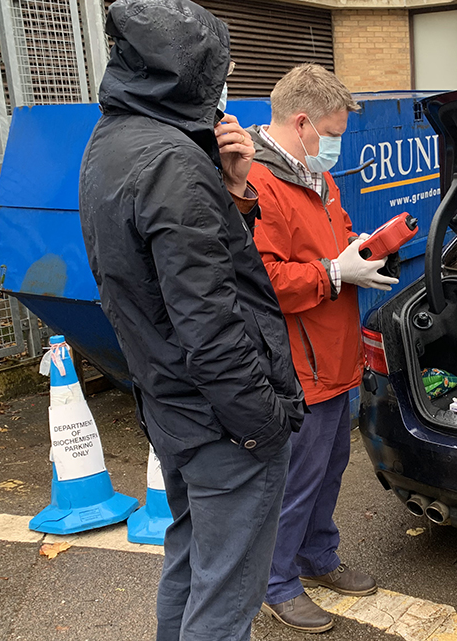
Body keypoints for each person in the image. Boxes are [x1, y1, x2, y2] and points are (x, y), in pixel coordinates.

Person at [78, 1, 306, 640]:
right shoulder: (172, 163)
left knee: (191, 562)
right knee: (227, 596)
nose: (224, 85)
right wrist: (263, 425)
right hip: (220, 422)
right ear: (189, 75)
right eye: (219, 71)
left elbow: (184, 274)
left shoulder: (114, 140)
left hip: (172, 405)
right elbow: (209, 324)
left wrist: (233, 187)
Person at [244, 64, 397, 634]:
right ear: (304, 124)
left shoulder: (317, 179)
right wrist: (335, 272)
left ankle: (316, 555)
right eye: (331, 133)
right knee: (298, 477)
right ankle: (276, 581)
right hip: (299, 365)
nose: (335, 145)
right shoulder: (260, 185)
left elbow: (339, 237)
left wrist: (365, 254)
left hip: (334, 358)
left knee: (330, 467)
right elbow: (261, 281)